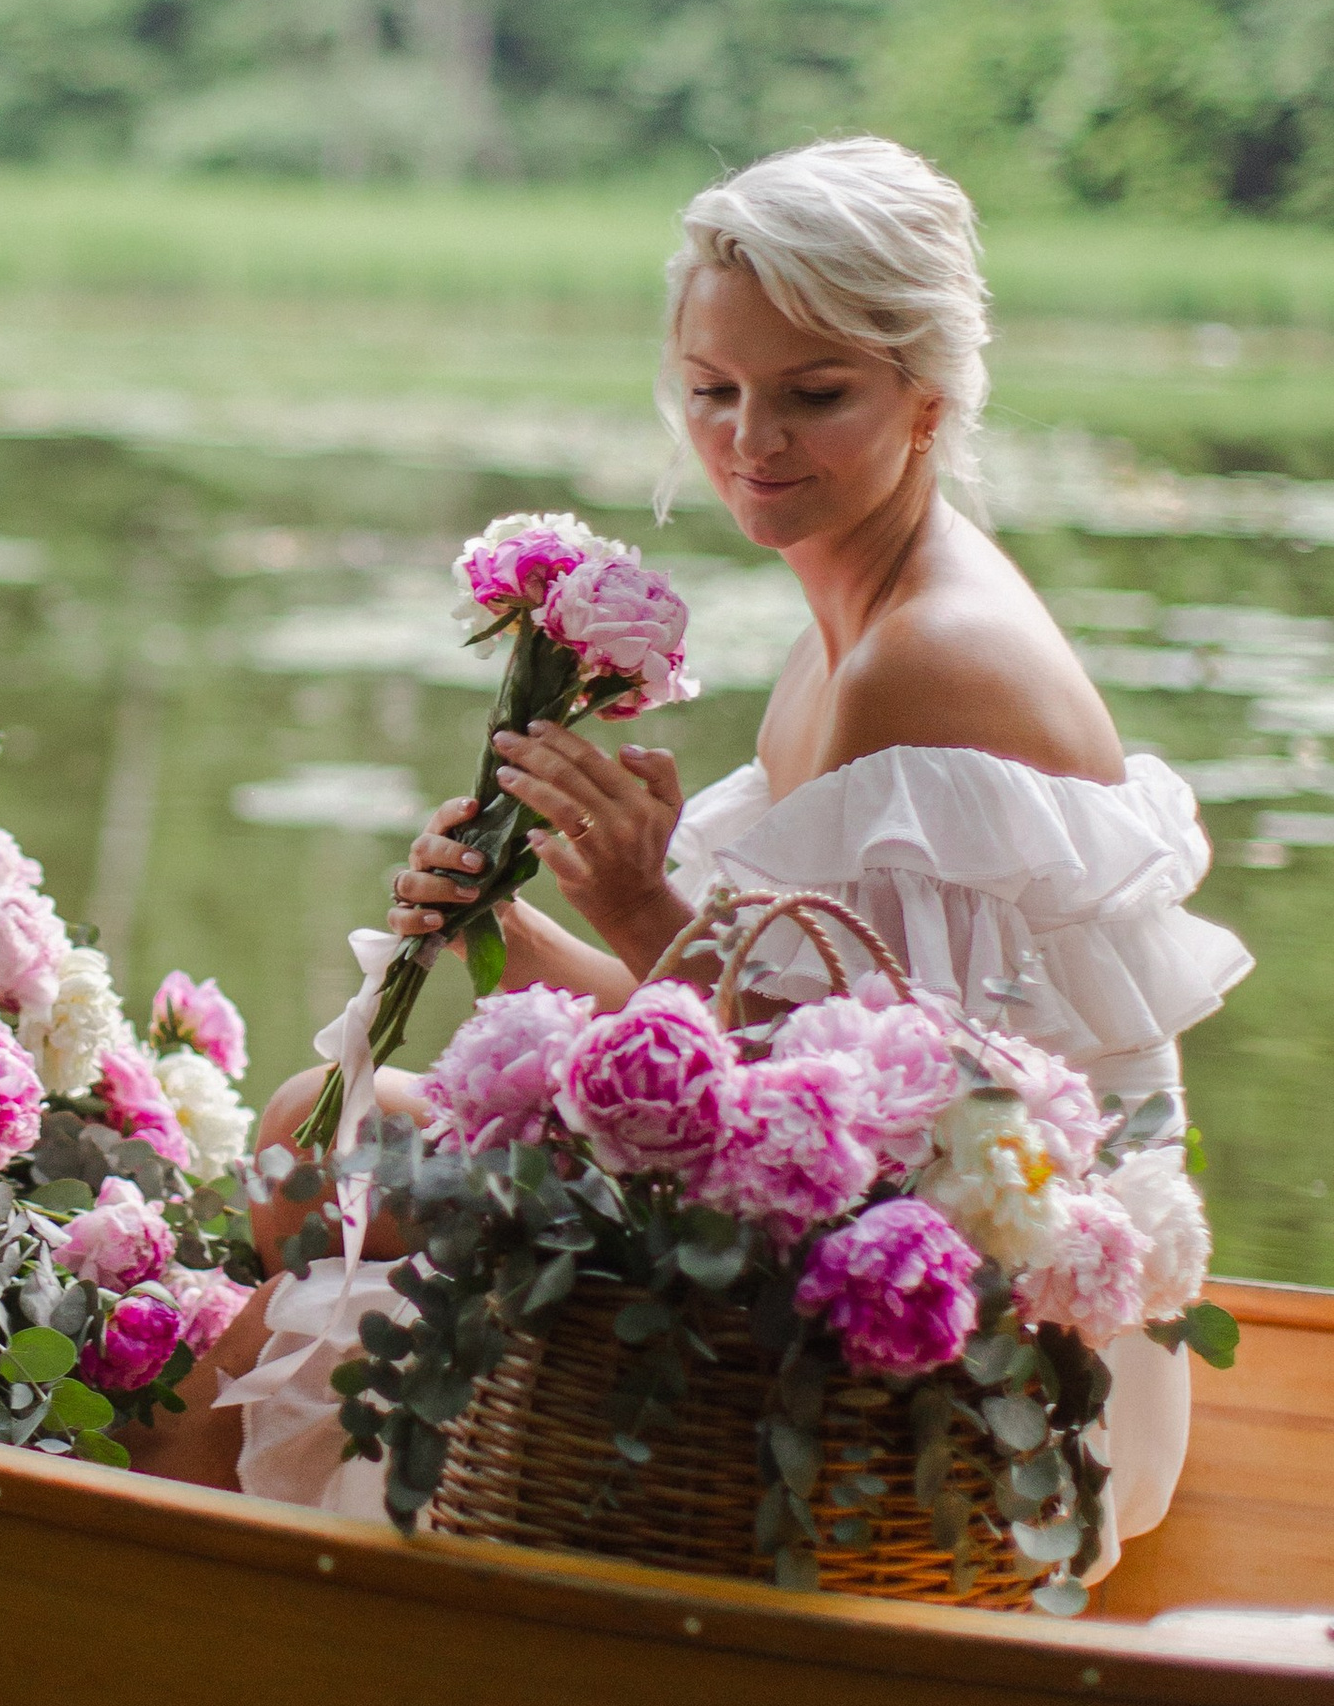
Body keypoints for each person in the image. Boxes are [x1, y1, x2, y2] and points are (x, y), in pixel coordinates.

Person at [153, 134, 1252, 1539]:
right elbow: (765, 1030)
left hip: (982, 1368)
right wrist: (501, 918)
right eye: (713, 391)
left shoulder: (928, 659)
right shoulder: (845, 622)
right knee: (313, 1139)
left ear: (927, 399)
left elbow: (901, 1139)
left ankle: (195, 1605)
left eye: (815, 395)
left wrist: (634, 903)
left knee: (313, 1214)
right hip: (846, 1241)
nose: (750, 440)